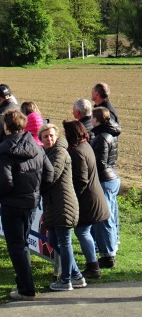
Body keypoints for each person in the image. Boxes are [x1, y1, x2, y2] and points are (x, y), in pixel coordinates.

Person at [0, 109, 53, 301]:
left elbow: (4, 182)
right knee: (23, 243)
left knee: (17, 246)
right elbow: (49, 173)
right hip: (30, 203)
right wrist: (35, 191)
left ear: (6, 126)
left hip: (13, 205)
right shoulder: (36, 146)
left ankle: (26, 289)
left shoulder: (4, 151)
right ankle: (23, 284)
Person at [38, 123, 86, 291]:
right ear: (41, 139)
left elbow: (50, 177)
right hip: (53, 204)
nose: (49, 138)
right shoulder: (47, 153)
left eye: (51, 135)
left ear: (56, 137)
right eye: (46, 136)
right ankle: (77, 276)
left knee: (64, 242)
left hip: (64, 204)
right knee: (53, 241)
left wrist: (35, 184)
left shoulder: (59, 153)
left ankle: (66, 280)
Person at [62, 120, 110, 280]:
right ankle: (93, 264)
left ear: (71, 134)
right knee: (84, 231)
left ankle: (93, 266)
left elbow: (81, 180)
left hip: (88, 201)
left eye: (65, 132)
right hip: (93, 197)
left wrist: (71, 195)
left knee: (82, 231)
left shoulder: (77, 151)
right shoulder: (86, 146)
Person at [90, 106, 121, 269]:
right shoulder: (111, 133)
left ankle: (108, 255)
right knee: (110, 215)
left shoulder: (102, 137)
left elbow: (100, 162)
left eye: (92, 119)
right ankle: (111, 247)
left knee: (104, 217)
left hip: (104, 180)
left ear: (96, 119)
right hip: (112, 177)